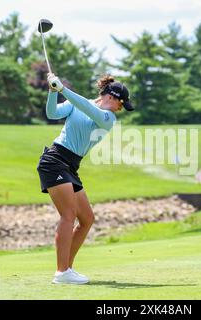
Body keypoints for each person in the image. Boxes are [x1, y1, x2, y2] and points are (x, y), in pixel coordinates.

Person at [37, 73, 134, 285]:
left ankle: (67, 269)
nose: (121, 109)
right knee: (68, 215)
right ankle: (61, 272)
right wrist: (53, 92)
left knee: (87, 219)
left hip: (71, 166)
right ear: (112, 96)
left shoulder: (108, 118)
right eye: (121, 103)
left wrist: (62, 89)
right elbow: (52, 113)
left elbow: (87, 108)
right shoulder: (77, 103)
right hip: (54, 160)